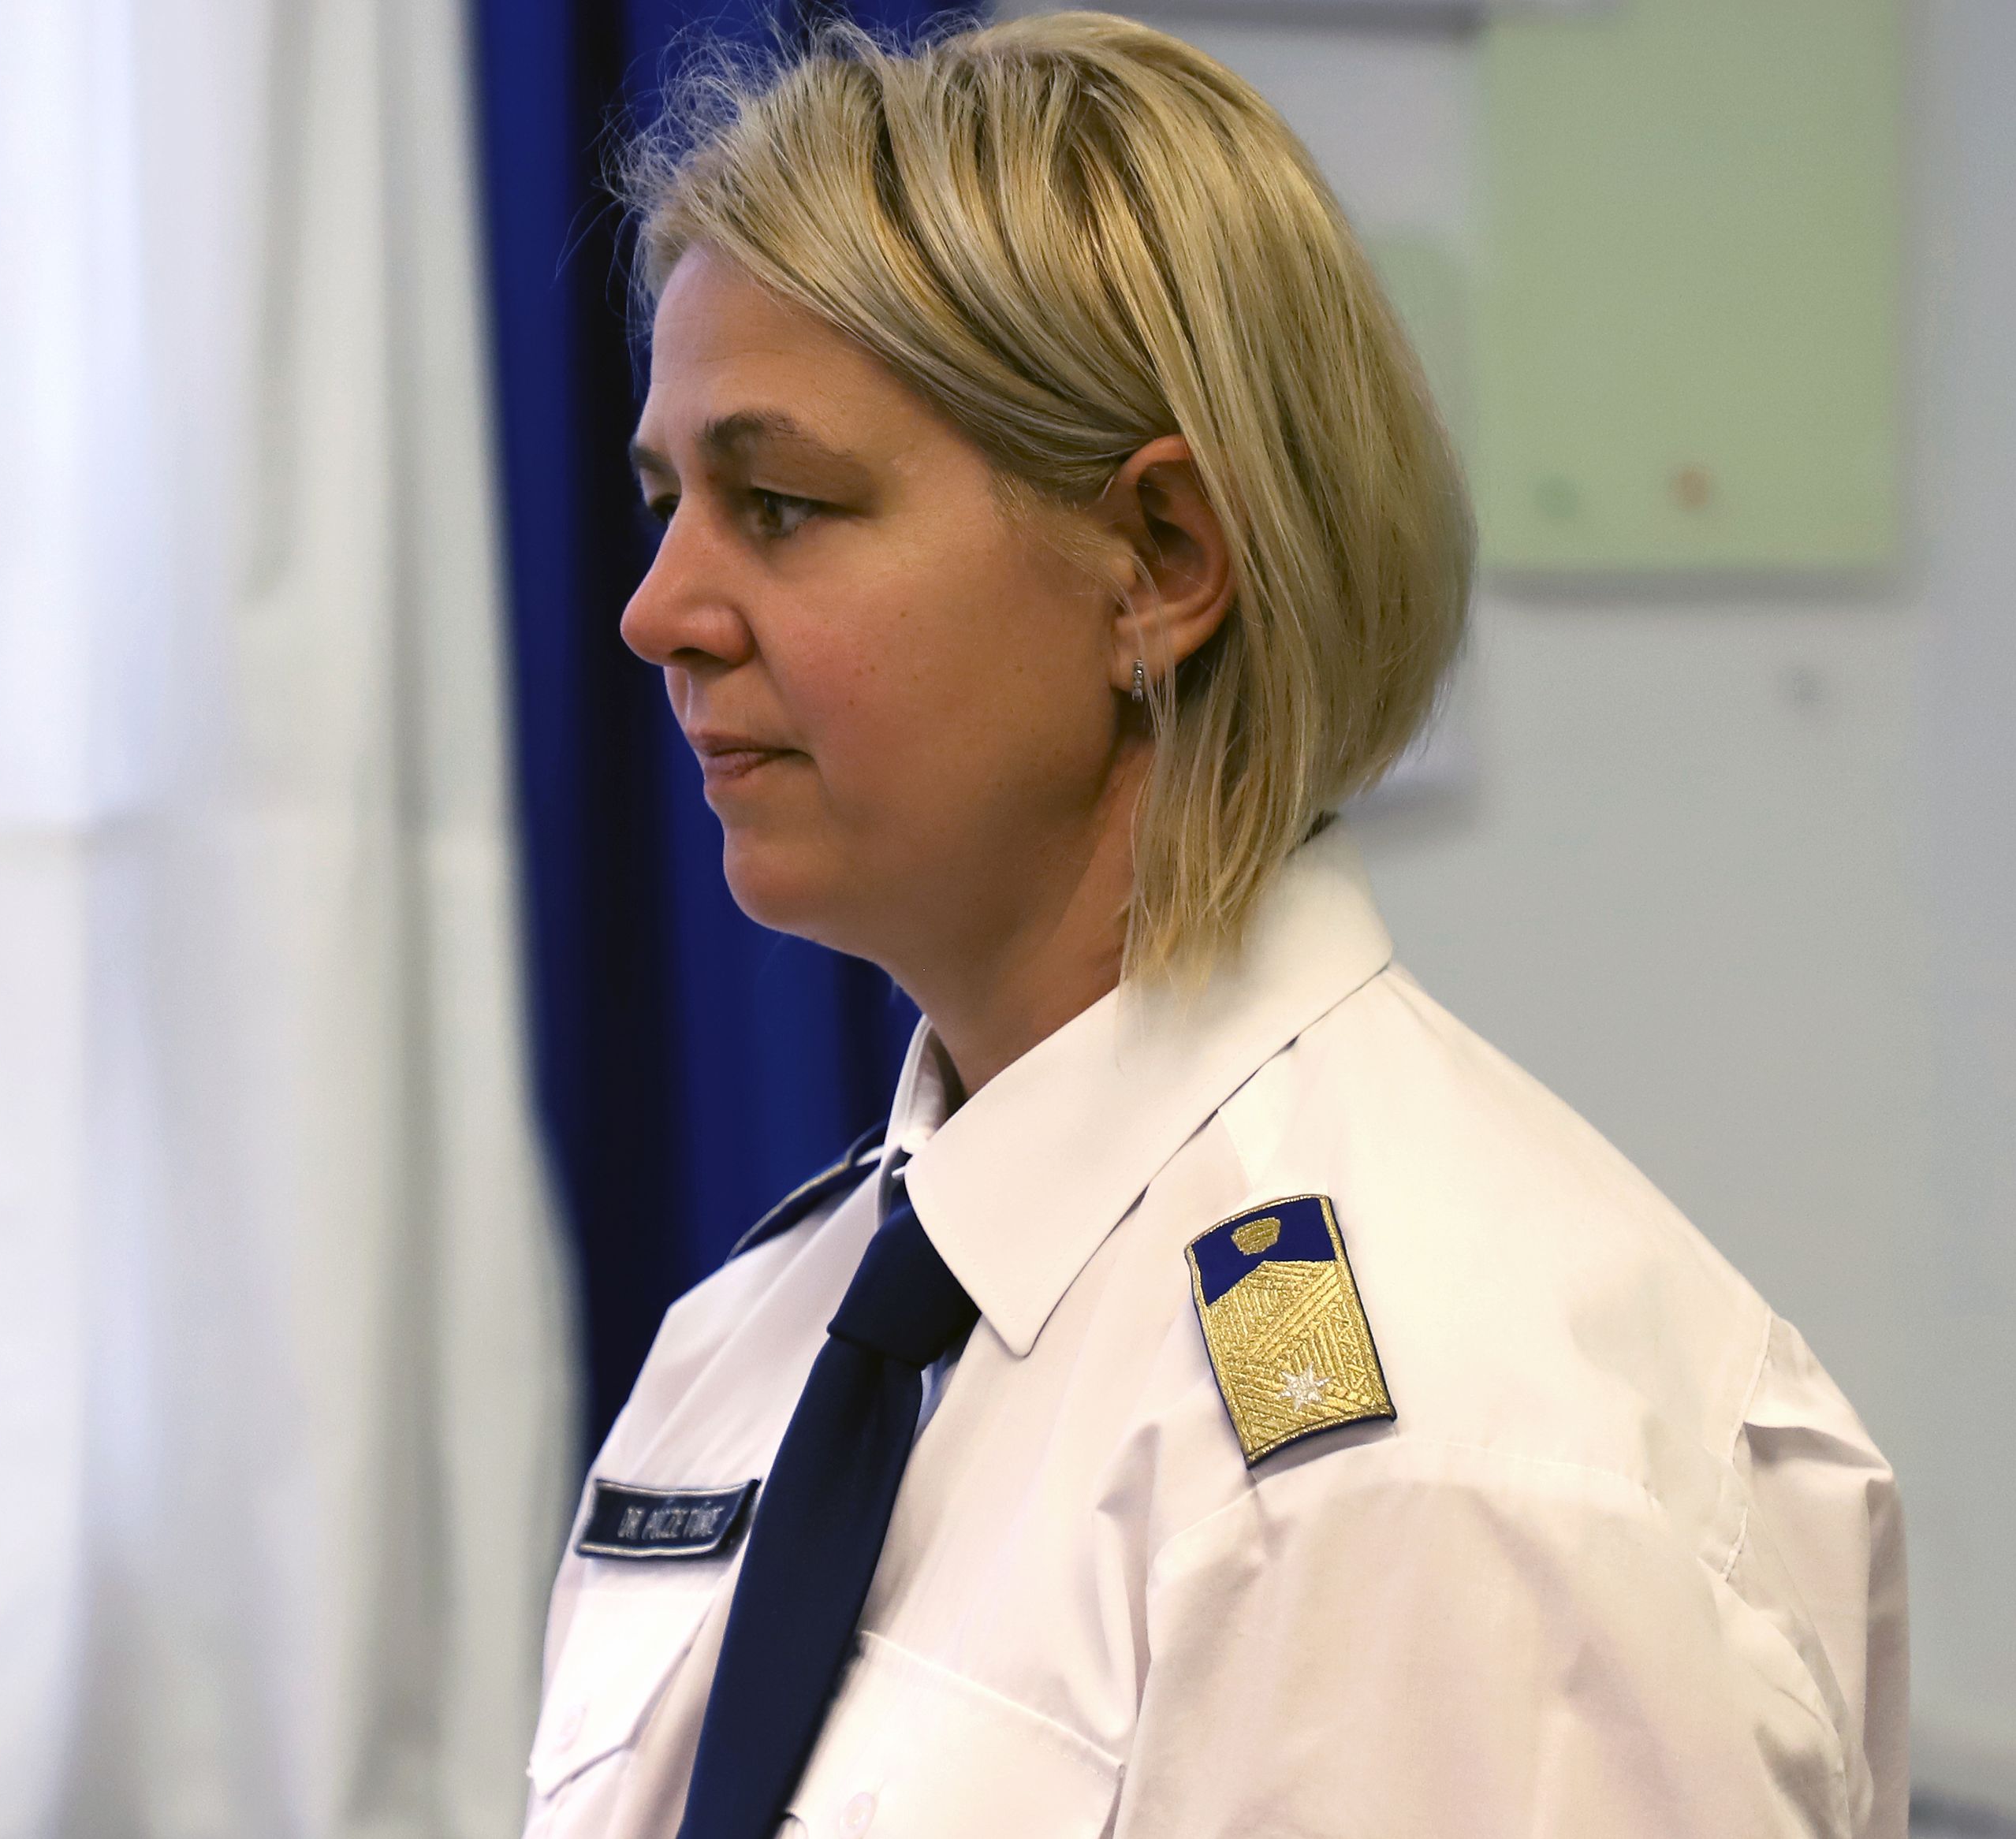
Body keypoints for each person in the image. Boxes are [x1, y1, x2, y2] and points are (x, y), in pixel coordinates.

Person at [522, 13, 1906, 1839]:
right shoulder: (770, 1332)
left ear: (1160, 563)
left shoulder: (1425, 1451)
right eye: (666, 503)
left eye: (780, 505)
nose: (658, 611)